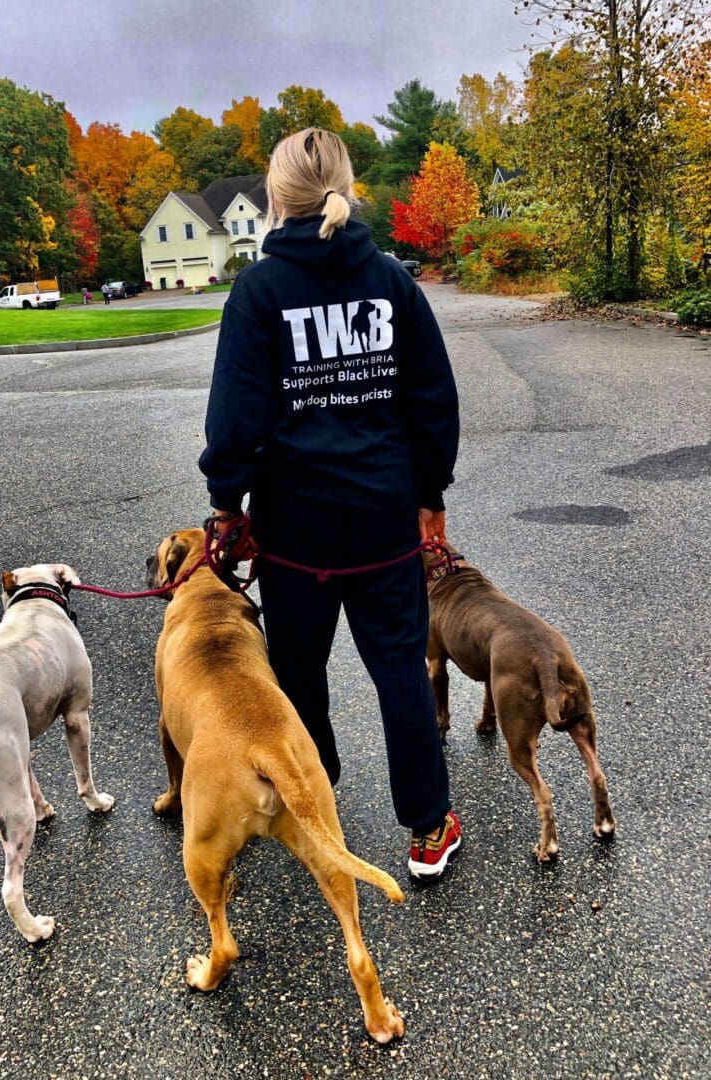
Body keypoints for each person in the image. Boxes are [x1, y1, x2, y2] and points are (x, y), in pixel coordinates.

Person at [199, 128, 461, 879]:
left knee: (299, 670)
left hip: (296, 529)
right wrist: (429, 494)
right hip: (382, 516)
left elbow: (236, 417)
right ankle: (428, 828)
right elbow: (430, 401)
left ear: (277, 199)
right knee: (400, 669)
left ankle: (313, 805)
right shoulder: (391, 282)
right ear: (347, 188)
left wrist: (227, 504)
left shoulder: (259, 293)